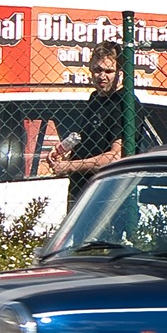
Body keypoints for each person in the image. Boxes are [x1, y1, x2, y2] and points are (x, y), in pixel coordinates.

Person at [48, 40, 132, 207]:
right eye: (97, 70)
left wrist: (69, 166)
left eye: (109, 71)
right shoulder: (94, 99)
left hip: (107, 196)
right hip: (81, 192)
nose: (102, 76)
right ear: (90, 69)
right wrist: (62, 150)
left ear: (119, 72)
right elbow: (86, 141)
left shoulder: (124, 103)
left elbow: (116, 156)